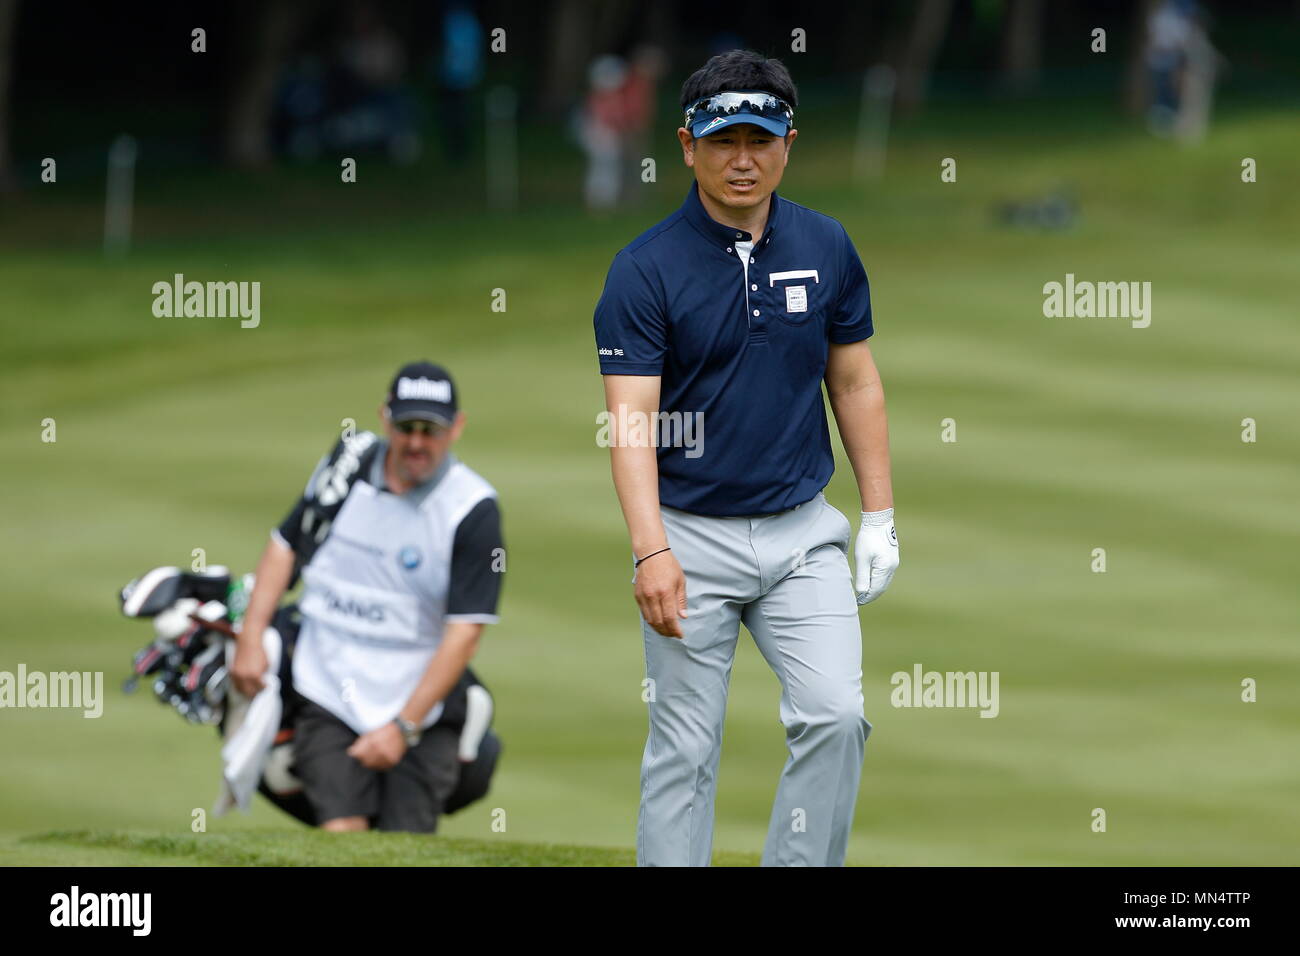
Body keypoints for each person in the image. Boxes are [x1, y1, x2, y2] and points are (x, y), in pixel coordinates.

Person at [592, 50, 899, 867]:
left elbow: (857, 381)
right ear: (687, 144)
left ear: (788, 144)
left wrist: (879, 518)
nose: (742, 159)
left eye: (760, 140)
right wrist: (650, 547)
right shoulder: (644, 269)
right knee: (685, 747)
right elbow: (631, 425)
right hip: (689, 537)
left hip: (803, 535)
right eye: (723, 140)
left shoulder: (826, 245)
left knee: (835, 714)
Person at [231, 361, 505, 833]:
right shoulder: (347, 467)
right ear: (385, 418)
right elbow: (285, 546)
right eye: (406, 427)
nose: (416, 442)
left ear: (456, 428)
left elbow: (464, 635)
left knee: (403, 849)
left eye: (431, 430)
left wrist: (403, 727)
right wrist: (251, 636)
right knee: (343, 839)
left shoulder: (472, 509)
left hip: (421, 706)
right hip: (327, 688)